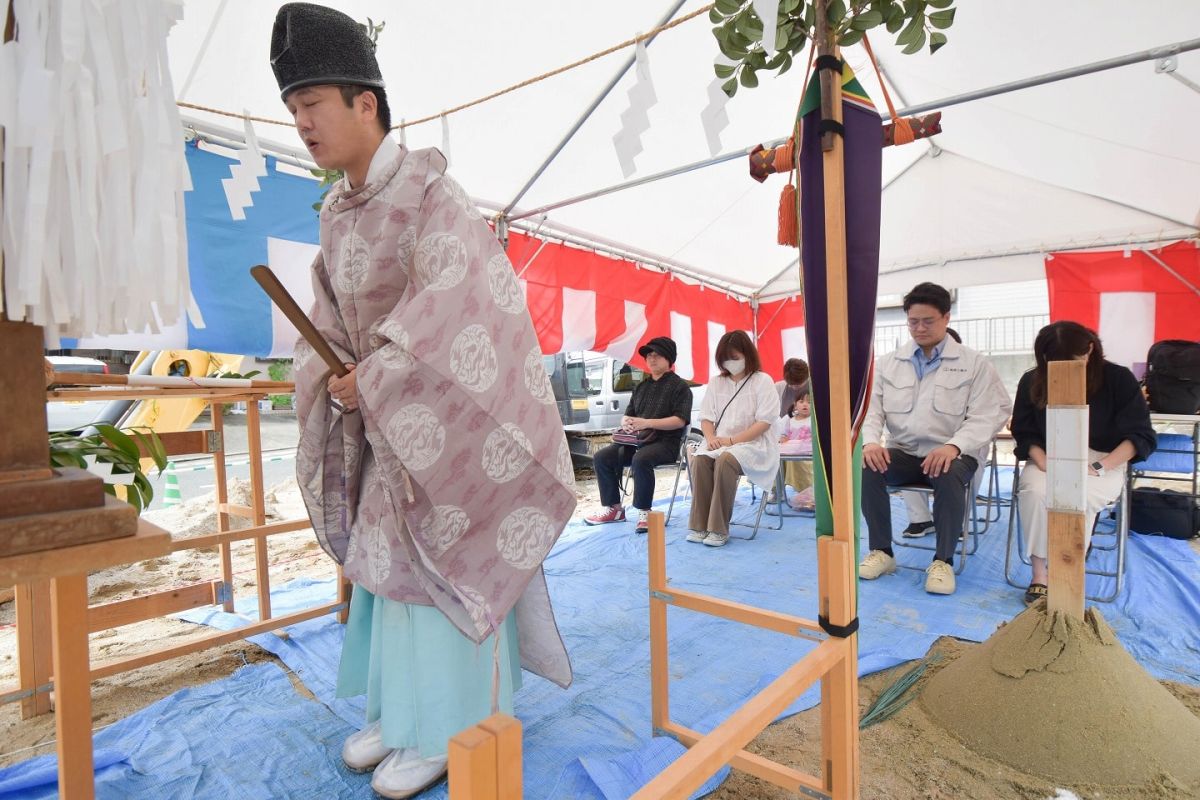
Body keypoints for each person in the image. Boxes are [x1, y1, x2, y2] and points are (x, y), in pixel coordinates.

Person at [275, 6, 575, 797]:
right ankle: (402, 713)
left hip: (456, 430)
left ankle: (453, 726)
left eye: (312, 105)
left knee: (447, 569)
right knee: (385, 573)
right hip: (388, 426)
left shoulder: (434, 195)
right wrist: (338, 370)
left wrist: (369, 376)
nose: (301, 123)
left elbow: (464, 308)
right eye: (293, 110)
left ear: (364, 102)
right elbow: (329, 326)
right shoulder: (336, 215)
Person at [858, 283, 1010, 595]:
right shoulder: (888, 364)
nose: (920, 328)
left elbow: (987, 415)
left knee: (948, 471)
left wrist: (954, 446)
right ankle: (882, 552)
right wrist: (871, 442)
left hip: (953, 454)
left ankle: (943, 561)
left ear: (946, 318)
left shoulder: (974, 363)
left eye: (928, 321)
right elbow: (871, 411)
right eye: (913, 321)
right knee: (867, 467)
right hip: (905, 452)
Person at [1011, 321, 1155, 605]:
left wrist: (1100, 467)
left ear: (1089, 349)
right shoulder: (1033, 380)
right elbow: (1024, 432)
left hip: (1104, 459)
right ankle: (1040, 575)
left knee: (1081, 495)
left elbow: (1140, 435)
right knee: (1037, 493)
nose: (1064, 369)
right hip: (1050, 456)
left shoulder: (1118, 378)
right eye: (1055, 363)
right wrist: (1042, 461)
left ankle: (1069, 566)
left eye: (1072, 362)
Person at [584, 337, 693, 533]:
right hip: (637, 442)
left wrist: (647, 422)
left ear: (669, 359)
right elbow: (629, 414)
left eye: (657, 355)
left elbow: (680, 420)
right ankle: (614, 509)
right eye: (648, 355)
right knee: (602, 456)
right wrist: (625, 422)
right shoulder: (642, 387)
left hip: (666, 443)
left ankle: (645, 512)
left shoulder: (680, 387)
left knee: (641, 458)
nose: (651, 359)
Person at [687, 330, 780, 547]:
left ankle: (719, 528)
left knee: (725, 460)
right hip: (720, 441)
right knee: (700, 459)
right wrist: (710, 438)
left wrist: (731, 441)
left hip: (754, 444)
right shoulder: (716, 383)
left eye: (735, 358)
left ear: (748, 355)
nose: (730, 363)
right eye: (725, 359)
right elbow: (707, 417)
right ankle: (699, 524)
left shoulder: (762, 381)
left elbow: (763, 423)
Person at [899, 327, 962, 538]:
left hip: (956, 444)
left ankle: (957, 521)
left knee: (975, 452)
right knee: (895, 449)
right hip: (916, 443)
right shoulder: (908, 369)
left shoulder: (971, 369)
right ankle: (920, 519)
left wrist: (954, 446)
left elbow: (986, 415)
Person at [778, 391, 815, 511]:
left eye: (809, 402)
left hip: (807, 451)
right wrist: (783, 438)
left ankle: (807, 493)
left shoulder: (813, 420)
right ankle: (776, 489)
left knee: (795, 461)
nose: (805, 405)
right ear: (795, 404)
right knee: (777, 458)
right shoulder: (790, 420)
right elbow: (785, 435)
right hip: (792, 450)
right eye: (802, 401)